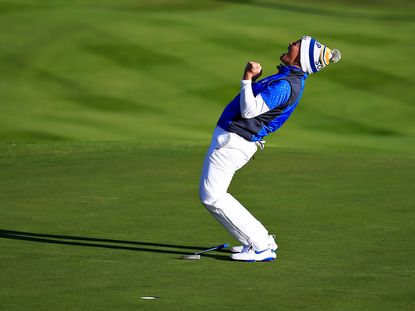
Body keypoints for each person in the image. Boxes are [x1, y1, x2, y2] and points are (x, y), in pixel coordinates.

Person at [199, 36, 341, 262]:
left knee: (212, 195)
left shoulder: (286, 85)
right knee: (213, 195)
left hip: (235, 141)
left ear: (301, 57)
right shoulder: (287, 78)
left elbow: (249, 111)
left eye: (298, 43)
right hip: (236, 140)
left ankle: (260, 245)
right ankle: (257, 241)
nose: (292, 42)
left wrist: (247, 79)